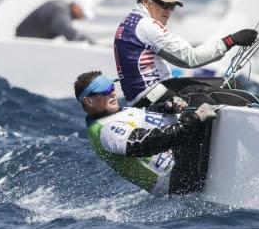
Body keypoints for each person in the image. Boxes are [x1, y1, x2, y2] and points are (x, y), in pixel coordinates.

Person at [114, 0, 258, 104]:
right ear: (146, 1)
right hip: (153, 97)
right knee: (228, 86)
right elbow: (191, 58)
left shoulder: (129, 22)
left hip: (145, 96)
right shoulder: (146, 25)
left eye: (172, 7)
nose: (168, 11)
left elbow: (182, 61)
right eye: (164, 5)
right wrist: (230, 40)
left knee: (225, 86)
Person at [75, 70, 217, 196]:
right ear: (89, 101)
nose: (112, 92)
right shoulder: (105, 131)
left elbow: (144, 119)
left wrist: (166, 107)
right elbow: (147, 143)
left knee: (196, 91)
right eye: (104, 91)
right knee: (202, 98)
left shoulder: (120, 113)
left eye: (112, 87)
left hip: (182, 158)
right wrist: (191, 121)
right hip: (177, 180)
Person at [15, 0, 96, 42]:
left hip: (27, 43)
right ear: (76, 6)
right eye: (83, 13)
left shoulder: (62, 8)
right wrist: (90, 42)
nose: (83, 17)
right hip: (24, 44)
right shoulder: (60, 9)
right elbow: (66, 29)